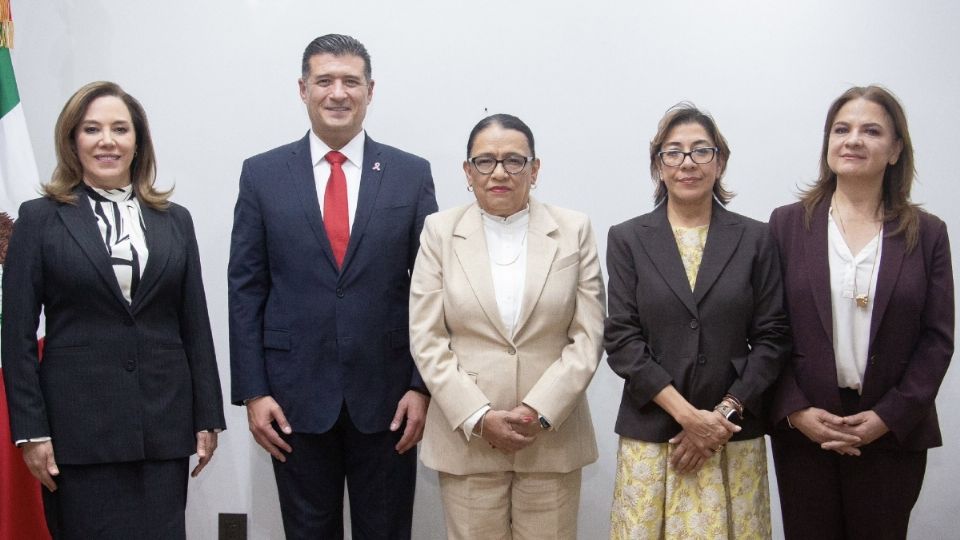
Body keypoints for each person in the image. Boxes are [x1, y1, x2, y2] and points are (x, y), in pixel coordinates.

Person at [228, 34, 437, 539]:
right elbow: (245, 288)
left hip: (389, 398)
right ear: (303, 89)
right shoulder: (263, 175)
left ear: (370, 89)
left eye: (351, 81)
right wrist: (253, 391)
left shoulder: (410, 174)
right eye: (324, 81)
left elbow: (431, 289)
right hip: (292, 398)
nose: (337, 92)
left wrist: (421, 386)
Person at [1, 81, 225, 539]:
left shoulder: (174, 219)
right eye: (92, 129)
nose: (108, 140)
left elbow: (194, 323)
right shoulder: (39, 219)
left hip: (162, 428)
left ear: (137, 142)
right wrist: (31, 431)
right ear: (72, 140)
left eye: (120, 129)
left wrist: (207, 415)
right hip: (78, 434)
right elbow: (17, 336)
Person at [768, 85, 953, 540]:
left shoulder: (927, 234)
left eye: (871, 131)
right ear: (827, 143)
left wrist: (888, 416)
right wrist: (794, 411)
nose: (853, 140)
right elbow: (766, 329)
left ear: (894, 151)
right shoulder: (786, 225)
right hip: (807, 431)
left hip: (891, 432)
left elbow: (937, 339)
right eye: (841, 129)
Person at [409, 113, 605, 539]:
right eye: (485, 161)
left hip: (550, 440)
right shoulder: (439, 233)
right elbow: (427, 338)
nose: (499, 172)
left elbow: (588, 337)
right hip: (469, 442)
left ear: (534, 170)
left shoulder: (574, 230)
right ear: (467, 172)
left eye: (514, 160)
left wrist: (541, 410)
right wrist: (478, 416)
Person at [604, 103, 790, 539]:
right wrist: (689, 418)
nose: (687, 162)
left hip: (732, 436)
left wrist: (720, 418)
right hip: (654, 435)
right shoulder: (628, 238)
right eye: (673, 152)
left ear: (720, 161)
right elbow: (622, 339)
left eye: (701, 151)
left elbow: (773, 338)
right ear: (658, 166)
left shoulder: (756, 238)